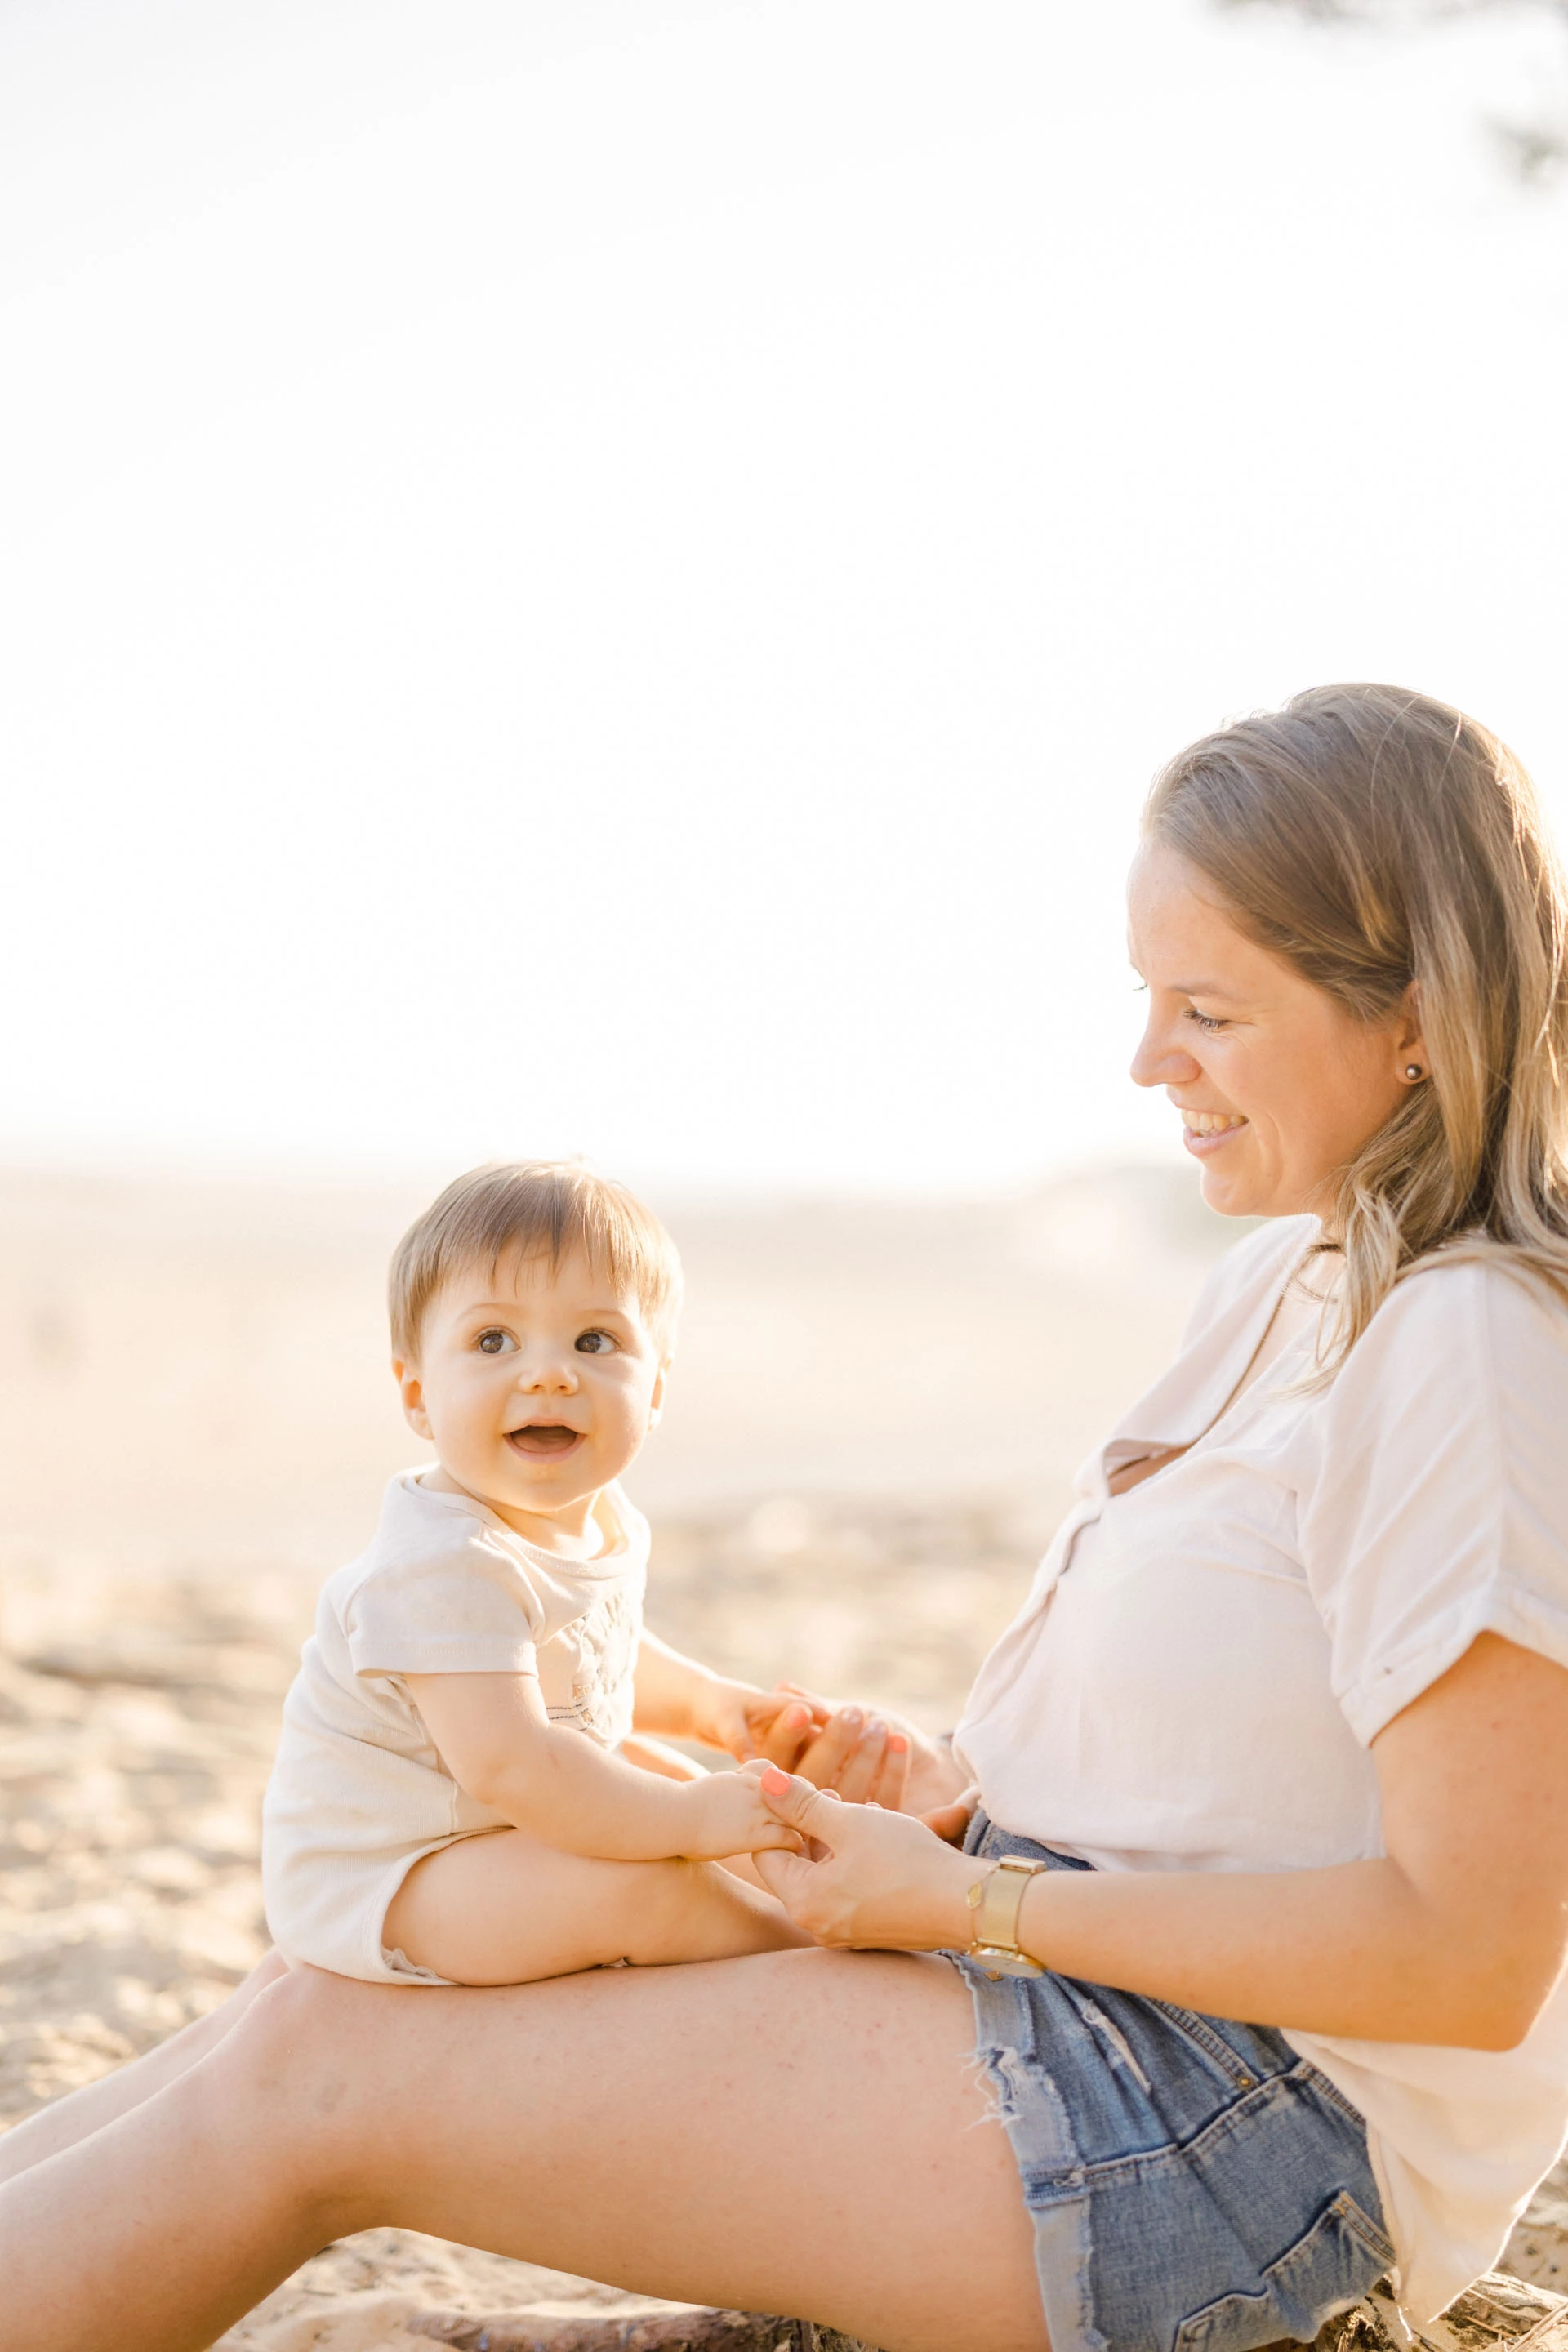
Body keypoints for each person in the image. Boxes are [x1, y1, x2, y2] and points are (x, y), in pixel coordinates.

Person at [5, 683, 1568, 2352]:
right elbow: (1258, 1772)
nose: (1146, 1059)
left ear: (1410, 1014)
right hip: (1097, 2007)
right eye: (1147, 998)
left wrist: (973, 1907)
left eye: (1209, 1009)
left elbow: (1467, 1954)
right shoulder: (1293, 1277)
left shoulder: (1469, 1349)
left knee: (315, 2086)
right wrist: (959, 1804)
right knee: (303, 2004)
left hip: (1234, 2143)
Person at [263, 1158, 839, 1989]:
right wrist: (689, 1819)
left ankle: (816, 1904)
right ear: (418, 1393)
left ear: (657, 1387)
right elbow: (515, 1767)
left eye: (594, 1341)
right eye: (493, 1341)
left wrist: (714, 1708)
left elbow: (600, 1654)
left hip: (495, 1831)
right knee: (649, 1878)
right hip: (392, 1877)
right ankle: (807, 1955)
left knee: (670, 1777)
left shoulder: (599, 1519)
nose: (548, 1373)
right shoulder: (444, 1564)